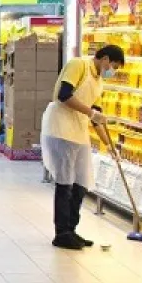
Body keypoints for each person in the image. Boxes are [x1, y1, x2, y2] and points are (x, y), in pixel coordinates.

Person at [41, 44, 125, 250]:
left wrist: (109, 145)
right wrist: (90, 113)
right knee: (65, 182)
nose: (112, 71)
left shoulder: (99, 82)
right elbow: (64, 94)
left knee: (81, 182)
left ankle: (72, 229)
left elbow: (96, 118)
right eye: (113, 66)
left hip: (79, 131)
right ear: (104, 59)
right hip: (61, 127)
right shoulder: (78, 65)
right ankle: (62, 233)